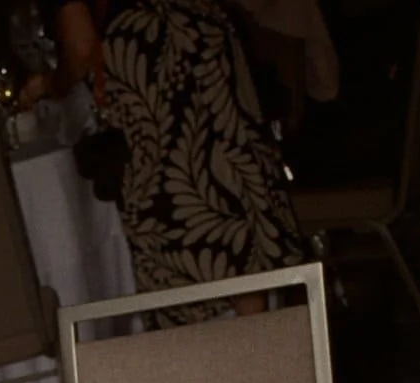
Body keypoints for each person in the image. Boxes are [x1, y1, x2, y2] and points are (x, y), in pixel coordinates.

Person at [24, 1, 304, 307]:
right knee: (227, 200)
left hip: (154, 62)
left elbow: (80, 48)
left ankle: (251, 339)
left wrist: (52, 84)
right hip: (198, 38)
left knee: (197, 214)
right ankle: (265, 331)